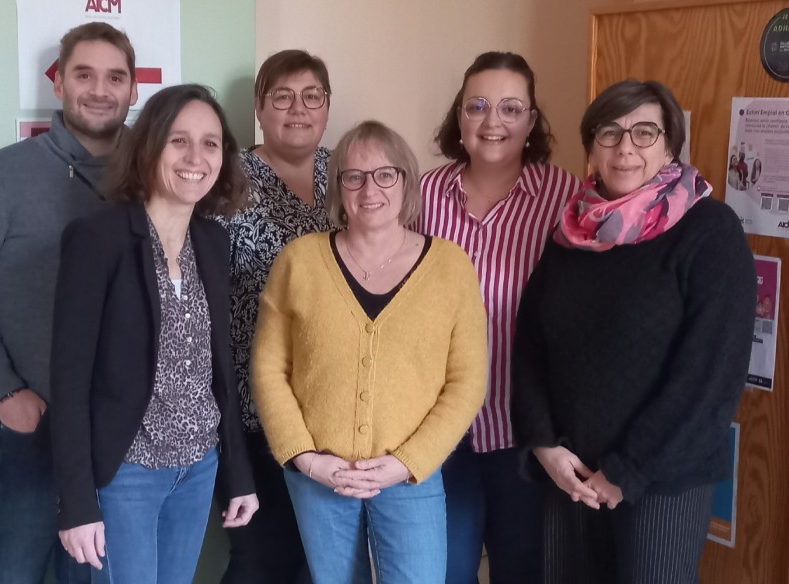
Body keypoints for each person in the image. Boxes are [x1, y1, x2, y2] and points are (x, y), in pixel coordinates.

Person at [511, 79, 756, 584]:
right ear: (591, 147)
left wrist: (627, 471)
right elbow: (530, 347)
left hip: (662, 479)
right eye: (609, 132)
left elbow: (710, 379)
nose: (625, 148)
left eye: (644, 133)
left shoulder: (710, 231)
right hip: (571, 474)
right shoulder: (573, 233)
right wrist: (543, 444)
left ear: (669, 146)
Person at [0, 22, 138, 584]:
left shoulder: (153, 177)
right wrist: (5, 390)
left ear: (133, 90)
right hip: (33, 426)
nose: (99, 90)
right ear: (58, 84)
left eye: (114, 78)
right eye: (84, 75)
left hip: (118, 435)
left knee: (95, 576)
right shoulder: (7, 172)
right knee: (16, 572)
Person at [251, 120, 488, 584]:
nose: (369, 188)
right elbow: (268, 368)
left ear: (406, 181)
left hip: (411, 474)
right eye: (354, 176)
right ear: (338, 186)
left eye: (385, 174)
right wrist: (305, 457)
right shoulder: (299, 261)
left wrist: (407, 462)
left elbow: (467, 382)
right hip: (319, 476)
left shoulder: (450, 266)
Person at [50, 84, 258, 583]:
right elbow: (69, 381)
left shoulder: (212, 240)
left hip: (198, 468)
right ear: (148, 147)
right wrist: (76, 502)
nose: (195, 157)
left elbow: (219, 368)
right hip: (127, 474)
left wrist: (238, 474)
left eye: (210, 143)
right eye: (178, 140)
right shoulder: (97, 240)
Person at [418, 51, 582, 584]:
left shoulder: (566, 198)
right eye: (478, 106)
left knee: (523, 571)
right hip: (439, 428)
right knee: (445, 572)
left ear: (531, 121)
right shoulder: (421, 195)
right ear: (459, 116)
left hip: (528, 434)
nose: (493, 122)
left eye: (511, 108)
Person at [217, 49, 333, 584]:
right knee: (262, 562)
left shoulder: (348, 173)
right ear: (259, 108)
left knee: (323, 565)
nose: (298, 108)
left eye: (312, 96)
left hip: (333, 411)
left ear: (327, 105)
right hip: (252, 409)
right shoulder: (226, 180)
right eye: (282, 96)